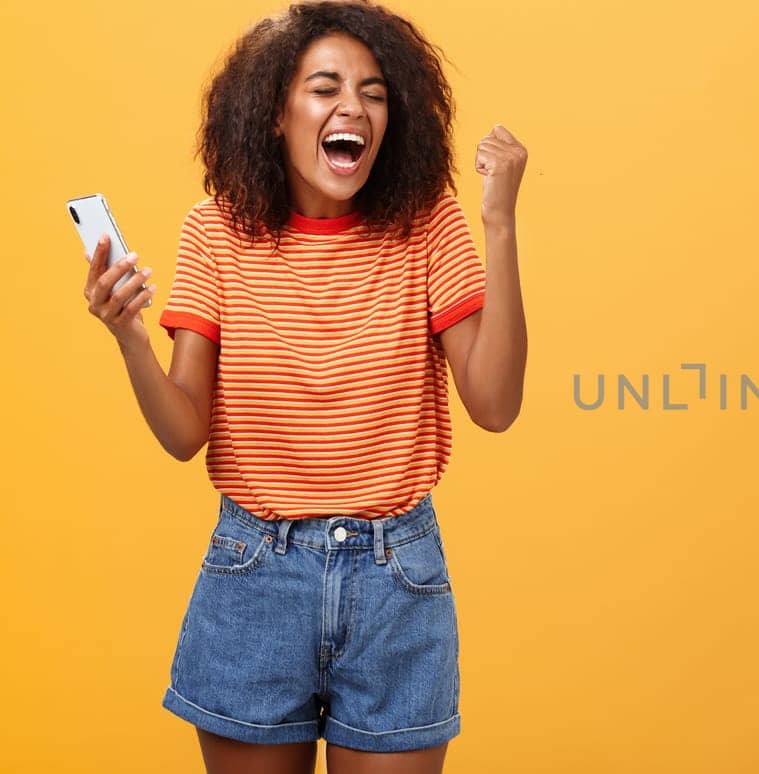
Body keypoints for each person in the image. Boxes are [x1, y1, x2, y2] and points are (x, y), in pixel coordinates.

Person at [79, 1, 528, 771]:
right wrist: (129, 340)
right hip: (254, 575)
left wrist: (500, 225)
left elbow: (494, 406)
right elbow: (186, 433)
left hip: (398, 581)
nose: (353, 106)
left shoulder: (429, 225)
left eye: (374, 92)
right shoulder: (215, 232)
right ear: (275, 114)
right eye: (325, 87)